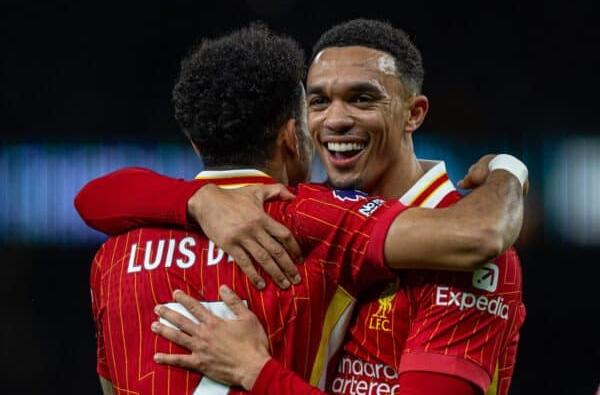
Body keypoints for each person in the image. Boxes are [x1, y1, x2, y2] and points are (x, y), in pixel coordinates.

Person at [76, 20, 527, 395]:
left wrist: (510, 168)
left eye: (362, 98)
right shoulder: (310, 218)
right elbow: (93, 197)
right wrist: (199, 200)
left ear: (414, 113)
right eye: (318, 101)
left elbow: (481, 235)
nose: (335, 120)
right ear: (298, 130)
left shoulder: (472, 260)